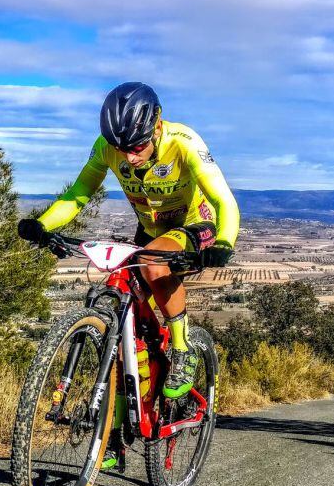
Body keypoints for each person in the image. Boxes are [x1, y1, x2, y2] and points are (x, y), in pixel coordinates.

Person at [18, 81, 239, 408]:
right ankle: (114, 430)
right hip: (149, 230)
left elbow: (224, 200)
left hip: (195, 226)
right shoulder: (108, 147)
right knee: (121, 301)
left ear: (157, 126)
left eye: (136, 146)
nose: (128, 156)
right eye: (120, 148)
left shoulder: (184, 143)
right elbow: (78, 194)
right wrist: (41, 225)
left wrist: (224, 242)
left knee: (154, 263)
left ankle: (182, 348)